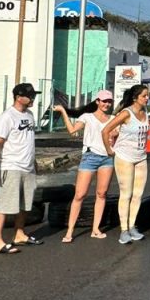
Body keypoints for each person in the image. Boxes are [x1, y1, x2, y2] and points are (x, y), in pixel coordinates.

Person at [0, 82, 42, 254]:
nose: (33, 98)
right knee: (4, 204)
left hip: (27, 167)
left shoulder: (30, 115)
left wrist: (34, 163)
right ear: (19, 97)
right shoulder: (7, 117)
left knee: (25, 204)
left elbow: (28, 141)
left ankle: (19, 234)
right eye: (30, 95)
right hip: (10, 166)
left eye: (34, 95)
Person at [54, 90, 115, 242]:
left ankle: (95, 229)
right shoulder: (87, 117)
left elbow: (118, 135)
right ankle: (69, 231)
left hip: (107, 158)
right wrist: (62, 111)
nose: (106, 104)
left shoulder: (113, 119)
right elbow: (72, 131)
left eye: (109, 101)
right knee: (80, 194)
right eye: (104, 101)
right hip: (90, 157)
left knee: (101, 194)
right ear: (97, 101)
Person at [101, 84, 150, 245]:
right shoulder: (126, 113)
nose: (147, 98)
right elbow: (106, 130)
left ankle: (132, 227)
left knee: (138, 194)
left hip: (141, 157)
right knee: (126, 194)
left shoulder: (145, 112)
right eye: (144, 95)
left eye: (148, 95)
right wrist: (109, 149)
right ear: (135, 97)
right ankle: (123, 230)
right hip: (124, 157)